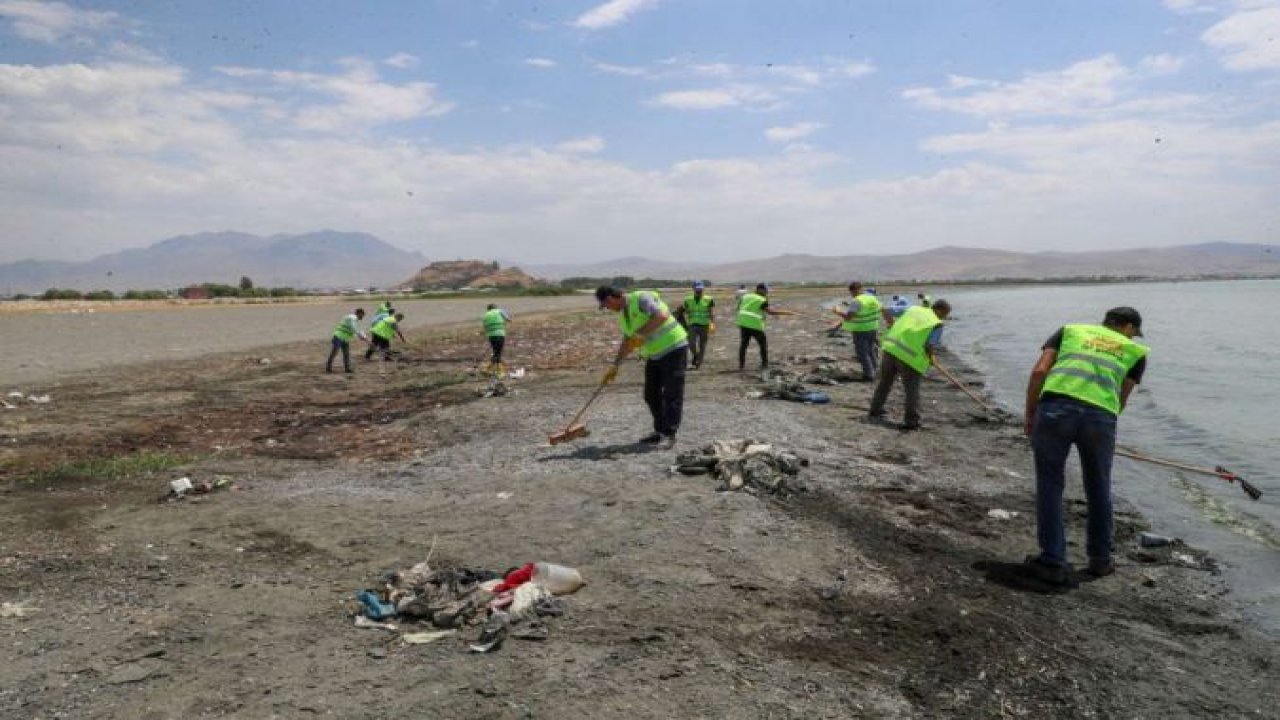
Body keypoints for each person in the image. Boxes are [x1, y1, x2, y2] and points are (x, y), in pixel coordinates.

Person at [1022, 307, 1149, 585]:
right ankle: (1100, 560)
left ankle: (1053, 559)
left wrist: (1031, 414)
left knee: (1050, 483)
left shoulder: (1070, 331)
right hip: (1100, 418)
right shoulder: (1135, 352)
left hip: (1055, 409)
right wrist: (1103, 425)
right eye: (1134, 332)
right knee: (1099, 486)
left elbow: (1040, 371)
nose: (1135, 338)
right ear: (1127, 327)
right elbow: (1121, 397)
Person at [596, 286, 688, 448]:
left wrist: (640, 334)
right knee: (651, 395)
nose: (608, 309)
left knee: (672, 393)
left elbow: (662, 315)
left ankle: (669, 434)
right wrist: (615, 366)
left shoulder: (641, 299)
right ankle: (659, 431)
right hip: (654, 354)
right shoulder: (623, 317)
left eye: (606, 306)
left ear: (611, 298)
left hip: (674, 348)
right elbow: (628, 342)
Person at [867, 299, 951, 430]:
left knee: (885, 382)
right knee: (912, 390)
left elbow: (885, 309)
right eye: (945, 314)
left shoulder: (913, 309)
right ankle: (912, 421)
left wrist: (891, 324)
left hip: (891, 348)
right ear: (940, 310)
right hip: (909, 358)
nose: (945, 317)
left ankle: (875, 410)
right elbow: (929, 345)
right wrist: (931, 358)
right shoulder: (937, 324)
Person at [831, 281, 891, 382]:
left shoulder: (857, 301)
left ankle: (869, 375)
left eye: (852, 292)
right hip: (873, 328)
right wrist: (889, 321)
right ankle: (875, 371)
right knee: (871, 350)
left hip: (861, 330)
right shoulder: (871, 298)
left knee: (863, 353)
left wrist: (837, 312)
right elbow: (883, 309)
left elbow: (849, 317)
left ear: (853, 290)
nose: (852, 294)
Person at [735, 283, 798, 371]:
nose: (767, 292)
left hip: (742, 323)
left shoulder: (746, 296)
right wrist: (787, 312)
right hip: (754, 324)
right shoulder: (762, 299)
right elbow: (770, 312)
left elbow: (739, 308)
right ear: (760, 289)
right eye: (766, 291)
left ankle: (741, 366)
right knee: (763, 345)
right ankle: (764, 364)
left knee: (744, 344)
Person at [675, 282, 715, 370]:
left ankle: (698, 363)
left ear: (703, 289)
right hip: (692, 324)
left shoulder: (709, 299)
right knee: (691, 342)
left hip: (704, 324)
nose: (699, 291)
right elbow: (684, 310)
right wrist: (679, 311)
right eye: (697, 289)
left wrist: (712, 323)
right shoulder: (688, 300)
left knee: (702, 345)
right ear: (693, 289)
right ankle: (696, 355)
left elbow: (711, 312)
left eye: (701, 289)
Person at [327, 308, 367, 373]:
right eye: (362, 315)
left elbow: (353, 330)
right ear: (359, 313)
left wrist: (362, 336)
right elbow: (353, 329)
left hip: (345, 338)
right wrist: (362, 336)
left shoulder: (354, 319)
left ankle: (347, 368)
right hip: (338, 337)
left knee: (346, 354)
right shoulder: (352, 318)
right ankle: (328, 367)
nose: (362, 317)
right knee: (334, 352)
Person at [482, 303, 512, 371]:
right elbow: (509, 319)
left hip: (491, 336)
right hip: (500, 334)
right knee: (498, 353)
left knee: (496, 351)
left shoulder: (486, 314)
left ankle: (490, 368)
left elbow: (485, 325)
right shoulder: (499, 311)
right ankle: (497, 370)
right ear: (495, 307)